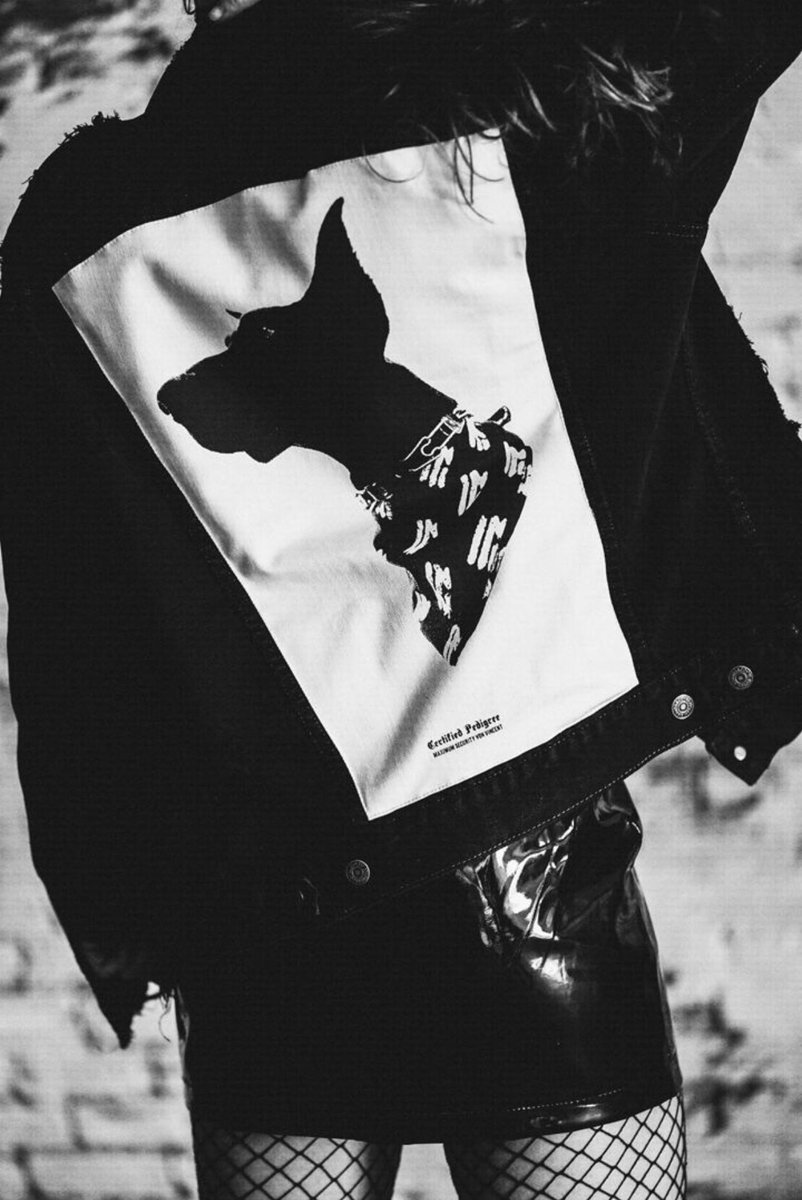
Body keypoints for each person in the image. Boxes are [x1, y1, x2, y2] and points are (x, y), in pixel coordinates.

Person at [2, 0, 802, 1196]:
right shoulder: (524, 99)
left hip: (270, 925)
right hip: (529, 890)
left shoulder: (81, 224)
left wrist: (131, 915)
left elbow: (80, 631)